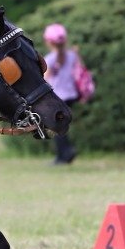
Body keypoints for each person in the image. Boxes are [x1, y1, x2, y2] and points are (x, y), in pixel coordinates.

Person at [43, 22, 80, 165]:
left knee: (55, 126)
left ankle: (64, 155)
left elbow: (45, 78)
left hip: (57, 97)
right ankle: (65, 154)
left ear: (49, 42)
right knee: (60, 125)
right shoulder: (72, 55)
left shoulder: (50, 59)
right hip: (70, 95)